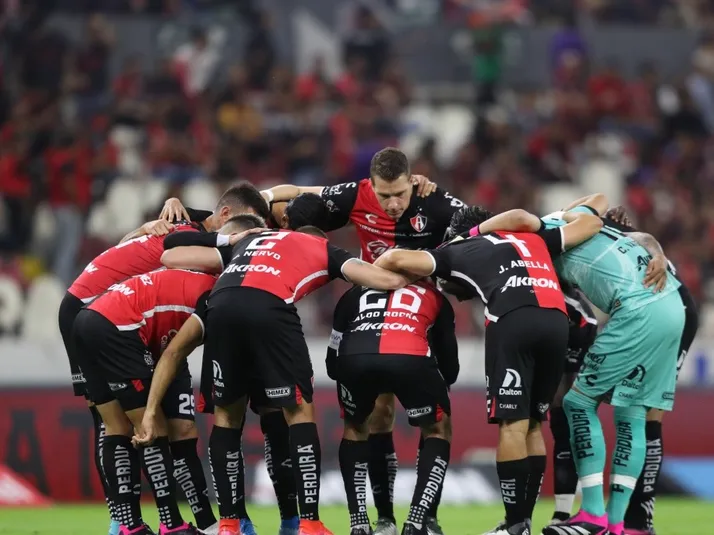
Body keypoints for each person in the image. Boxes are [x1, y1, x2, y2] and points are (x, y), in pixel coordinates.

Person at [138, 225, 409, 535]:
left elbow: (172, 257)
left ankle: (228, 524)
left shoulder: (252, 241)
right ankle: (310, 523)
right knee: (299, 410)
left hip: (220, 306)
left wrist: (227, 240)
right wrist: (409, 275)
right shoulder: (320, 247)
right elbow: (383, 280)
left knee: (226, 415)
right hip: (270, 307)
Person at [264, 148, 461, 535]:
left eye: (400, 194)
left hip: (420, 312)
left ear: (412, 182)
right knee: (381, 416)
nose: (393, 204)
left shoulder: (435, 200)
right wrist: (265, 197)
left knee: (422, 419)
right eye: (384, 195)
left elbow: (477, 227)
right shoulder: (355, 194)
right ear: (371, 186)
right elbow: (296, 193)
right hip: (372, 303)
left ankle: (425, 516)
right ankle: (385, 518)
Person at [374, 206, 603, 535]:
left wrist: (375, 276)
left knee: (512, 424)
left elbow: (395, 258)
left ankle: (514, 525)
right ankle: (523, 522)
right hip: (557, 323)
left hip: (513, 320)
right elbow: (592, 222)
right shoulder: (537, 239)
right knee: (534, 423)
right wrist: (566, 213)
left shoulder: (463, 248)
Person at [57, 182, 269, 535]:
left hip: (143, 325)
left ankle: (191, 523)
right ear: (228, 219)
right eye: (250, 232)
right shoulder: (196, 243)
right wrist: (228, 241)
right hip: (98, 314)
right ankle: (137, 522)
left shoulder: (188, 229)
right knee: (126, 423)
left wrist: (147, 225)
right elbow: (171, 250)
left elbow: (144, 247)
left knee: (174, 427)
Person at [538, 195, 684, 535]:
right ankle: (616, 522)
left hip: (638, 312)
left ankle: (592, 514)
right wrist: (658, 253)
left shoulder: (548, 237)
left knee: (577, 403)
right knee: (632, 412)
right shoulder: (596, 228)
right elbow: (640, 235)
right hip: (673, 305)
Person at [327, 281, 459, 535]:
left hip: (354, 359)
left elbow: (332, 358)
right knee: (437, 429)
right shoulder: (434, 295)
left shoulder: (353, 293)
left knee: (355, 428)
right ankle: (417, 521)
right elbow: (450, 369)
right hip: (410, 357)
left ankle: (362, 523)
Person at [600, 208, 699, 535]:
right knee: (638, 416)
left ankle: (640, 520)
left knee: (646, 415)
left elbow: (645, 240)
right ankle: (634, 518)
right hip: (666, 313)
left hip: (670, 315)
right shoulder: (625, 246)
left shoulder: (620, 241)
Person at [548, 283, 598, 524]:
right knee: (560, 426)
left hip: (579, 332)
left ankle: (581, 510)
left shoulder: (576, 309)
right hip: (552, 330)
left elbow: (588, 320)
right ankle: (561, 513)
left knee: (568, 424)